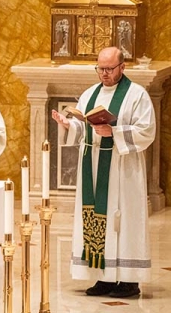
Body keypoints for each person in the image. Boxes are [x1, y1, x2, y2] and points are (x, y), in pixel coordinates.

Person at [51, 47, 155, 298]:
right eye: (100, 68)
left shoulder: (136, 95)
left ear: (123, 67)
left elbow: (146, 130)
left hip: (123, 168)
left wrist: (115, 132)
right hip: (95, 164)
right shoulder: (90, 94)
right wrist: (69, 125)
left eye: (109, 69)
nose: (104, 74)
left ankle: (129, 281)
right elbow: (84, 125)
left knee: (124, 221)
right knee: (96, 217)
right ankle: (104, 277)